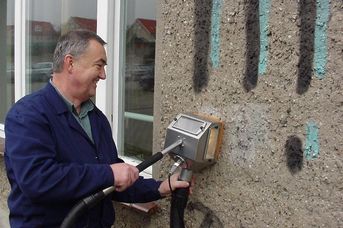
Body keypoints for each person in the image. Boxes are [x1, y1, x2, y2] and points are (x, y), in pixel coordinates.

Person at [4, 30, 189, 227]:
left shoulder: (96, 118)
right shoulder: (28, 114)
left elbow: (112, 180)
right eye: (99, 65)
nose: (103, 75)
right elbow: (38, 180)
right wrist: (109, 173)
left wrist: (160, 187)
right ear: (70, 63)